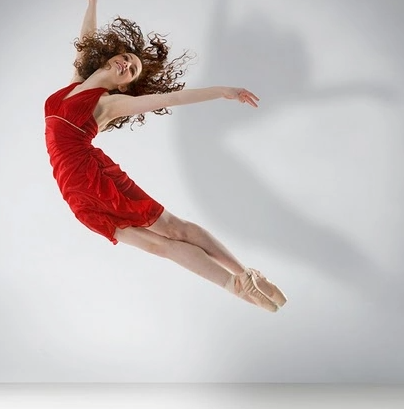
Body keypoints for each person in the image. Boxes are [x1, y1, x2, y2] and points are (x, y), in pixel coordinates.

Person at [44, 0, 287, 313]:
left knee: (173, 229)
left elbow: (171, 98)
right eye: (126, 58)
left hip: (96, 179)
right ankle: (237, 286)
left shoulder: (109, 104)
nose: (126, 65)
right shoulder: (76, 81)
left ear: (125, 86)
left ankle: (244, 275)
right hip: (75, 195)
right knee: (159, 247)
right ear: (109, 56)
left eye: (132, 70)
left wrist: (222, 91)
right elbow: (87, 36)